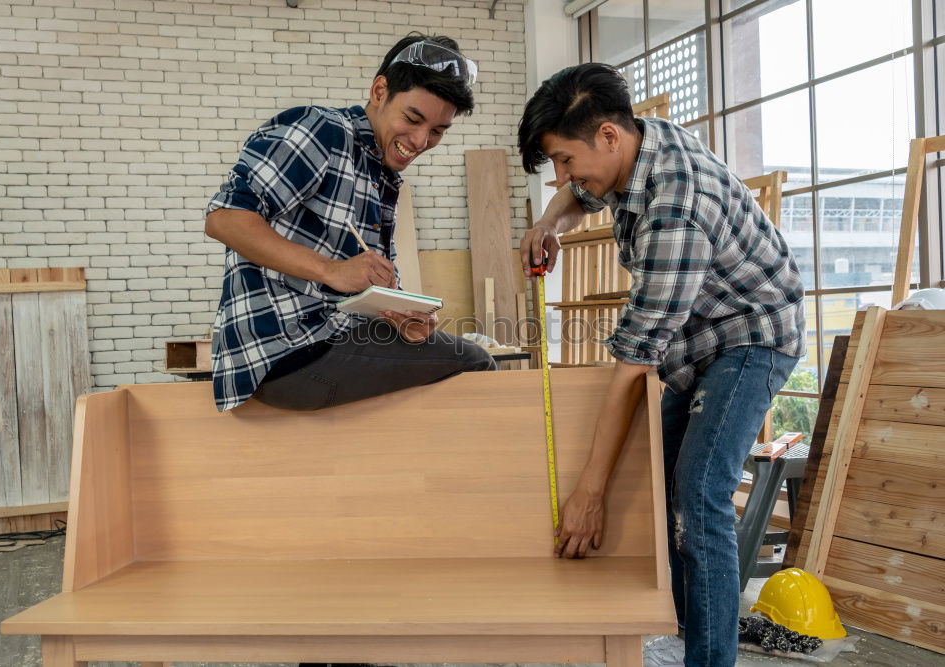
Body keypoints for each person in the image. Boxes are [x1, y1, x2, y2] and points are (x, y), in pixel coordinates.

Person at [517, 63, 805, 667]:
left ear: (608, 138)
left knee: (698, 491)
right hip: (691, 340)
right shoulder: (629, 141)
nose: (563, 178)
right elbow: (582, 191)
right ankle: (682, 620)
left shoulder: (678, 206)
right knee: (653, 476)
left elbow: (631, 365)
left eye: (565, 160)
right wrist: (548, 224)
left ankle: (709, 657)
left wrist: (588, 493)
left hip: (750, 335)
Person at [205, 34, 495, 414]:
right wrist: (332, 271)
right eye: (412, 118)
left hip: (332, 339)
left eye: (438, 131)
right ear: (379, 91)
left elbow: (362, 284)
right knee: (477, 364)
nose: (421, 140)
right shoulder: (321, 131)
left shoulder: (381, 174)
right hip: (287, 351)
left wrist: (399, 316)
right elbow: (224, 218)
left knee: (441, 363)